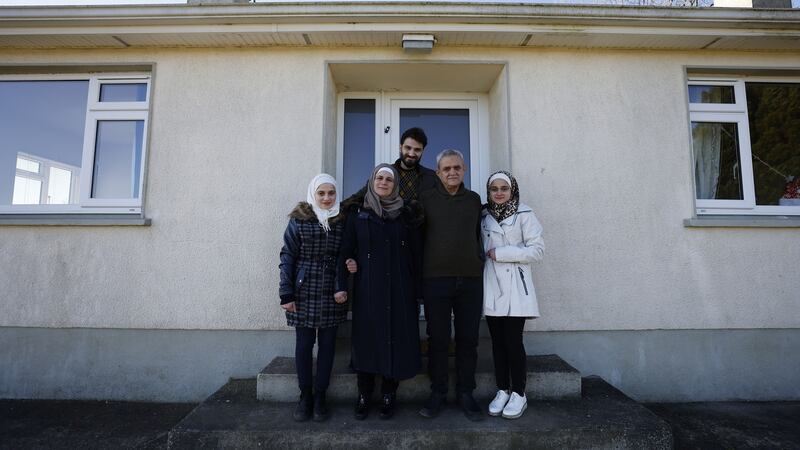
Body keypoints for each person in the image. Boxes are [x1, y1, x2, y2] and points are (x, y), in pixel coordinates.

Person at [336, 164, 422, 421]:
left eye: (389, 179)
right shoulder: (357, 214)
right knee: (366, 340)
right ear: (371, 181)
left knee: (394, 339)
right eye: (379, 178)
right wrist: (342, 282)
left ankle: (388, 393)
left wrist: (418, 292)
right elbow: (345, 253)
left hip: (399, 289)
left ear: (395, 185)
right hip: (368, 288)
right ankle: (364, 394)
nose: (383, 182)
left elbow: (415, 257)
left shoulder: (405, 216)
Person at [418, 149, 485, 422]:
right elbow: (417, 239)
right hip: (436, 280)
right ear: (438, 172)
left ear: (464, 169)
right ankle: (438, 393)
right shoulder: (426, 200)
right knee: (438, 339)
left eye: (457, 167)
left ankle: (466, 393)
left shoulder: (475, 200)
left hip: (470, 279)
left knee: (468, 340)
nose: (452, 172)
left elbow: (479, 235)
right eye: (446, 168)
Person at [278, 174, 349, 422]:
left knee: (328, 346)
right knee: (304, 345)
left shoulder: (342, 220)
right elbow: (287, 256)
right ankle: (305, 396)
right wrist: (286, 292)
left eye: (331, 193)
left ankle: (320, 396)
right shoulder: (299, 221)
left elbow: (344, 256)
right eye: (322, 193)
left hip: (332, 290)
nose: (327, 198)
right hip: (303, 289)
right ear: (313, 194)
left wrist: (343, 286)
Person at [481, 171, 545, 420]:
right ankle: (502, 390)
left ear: (512, 190)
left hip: (516, 289)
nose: (499, 193)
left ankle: (519, 392)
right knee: (497, 343)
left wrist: (503, 253)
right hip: (492, 286)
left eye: (504, 188)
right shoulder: (484, 216)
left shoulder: (525, 214)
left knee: (513, 342)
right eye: (494, 188)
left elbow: (537, 251)